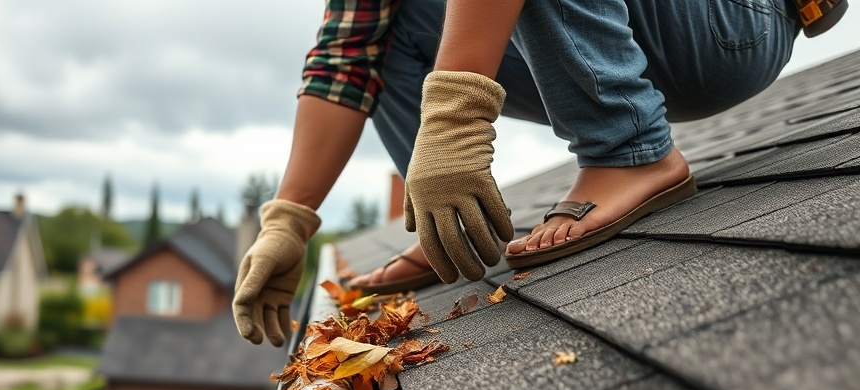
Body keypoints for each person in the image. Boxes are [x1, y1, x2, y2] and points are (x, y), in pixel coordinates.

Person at [232, 0, 846, 347]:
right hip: (635, 30)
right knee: (391, 28)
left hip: (732, 24)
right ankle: (448, 219)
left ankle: (628, 147)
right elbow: (346, 55)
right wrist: (288, 219)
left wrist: (453, 122)